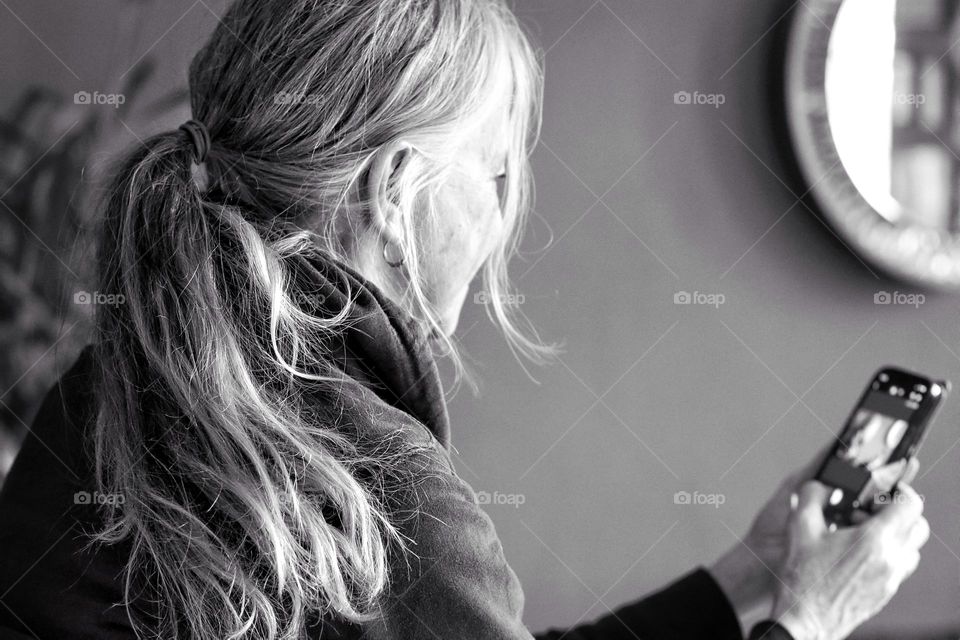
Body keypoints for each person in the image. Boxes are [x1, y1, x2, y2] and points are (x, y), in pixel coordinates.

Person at [0, 1, 929, 638]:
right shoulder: (380, 486)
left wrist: (747, 577)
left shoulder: (100, 389)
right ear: (398, 193)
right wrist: (806, 616)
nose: (500, 221)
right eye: (494, 175)